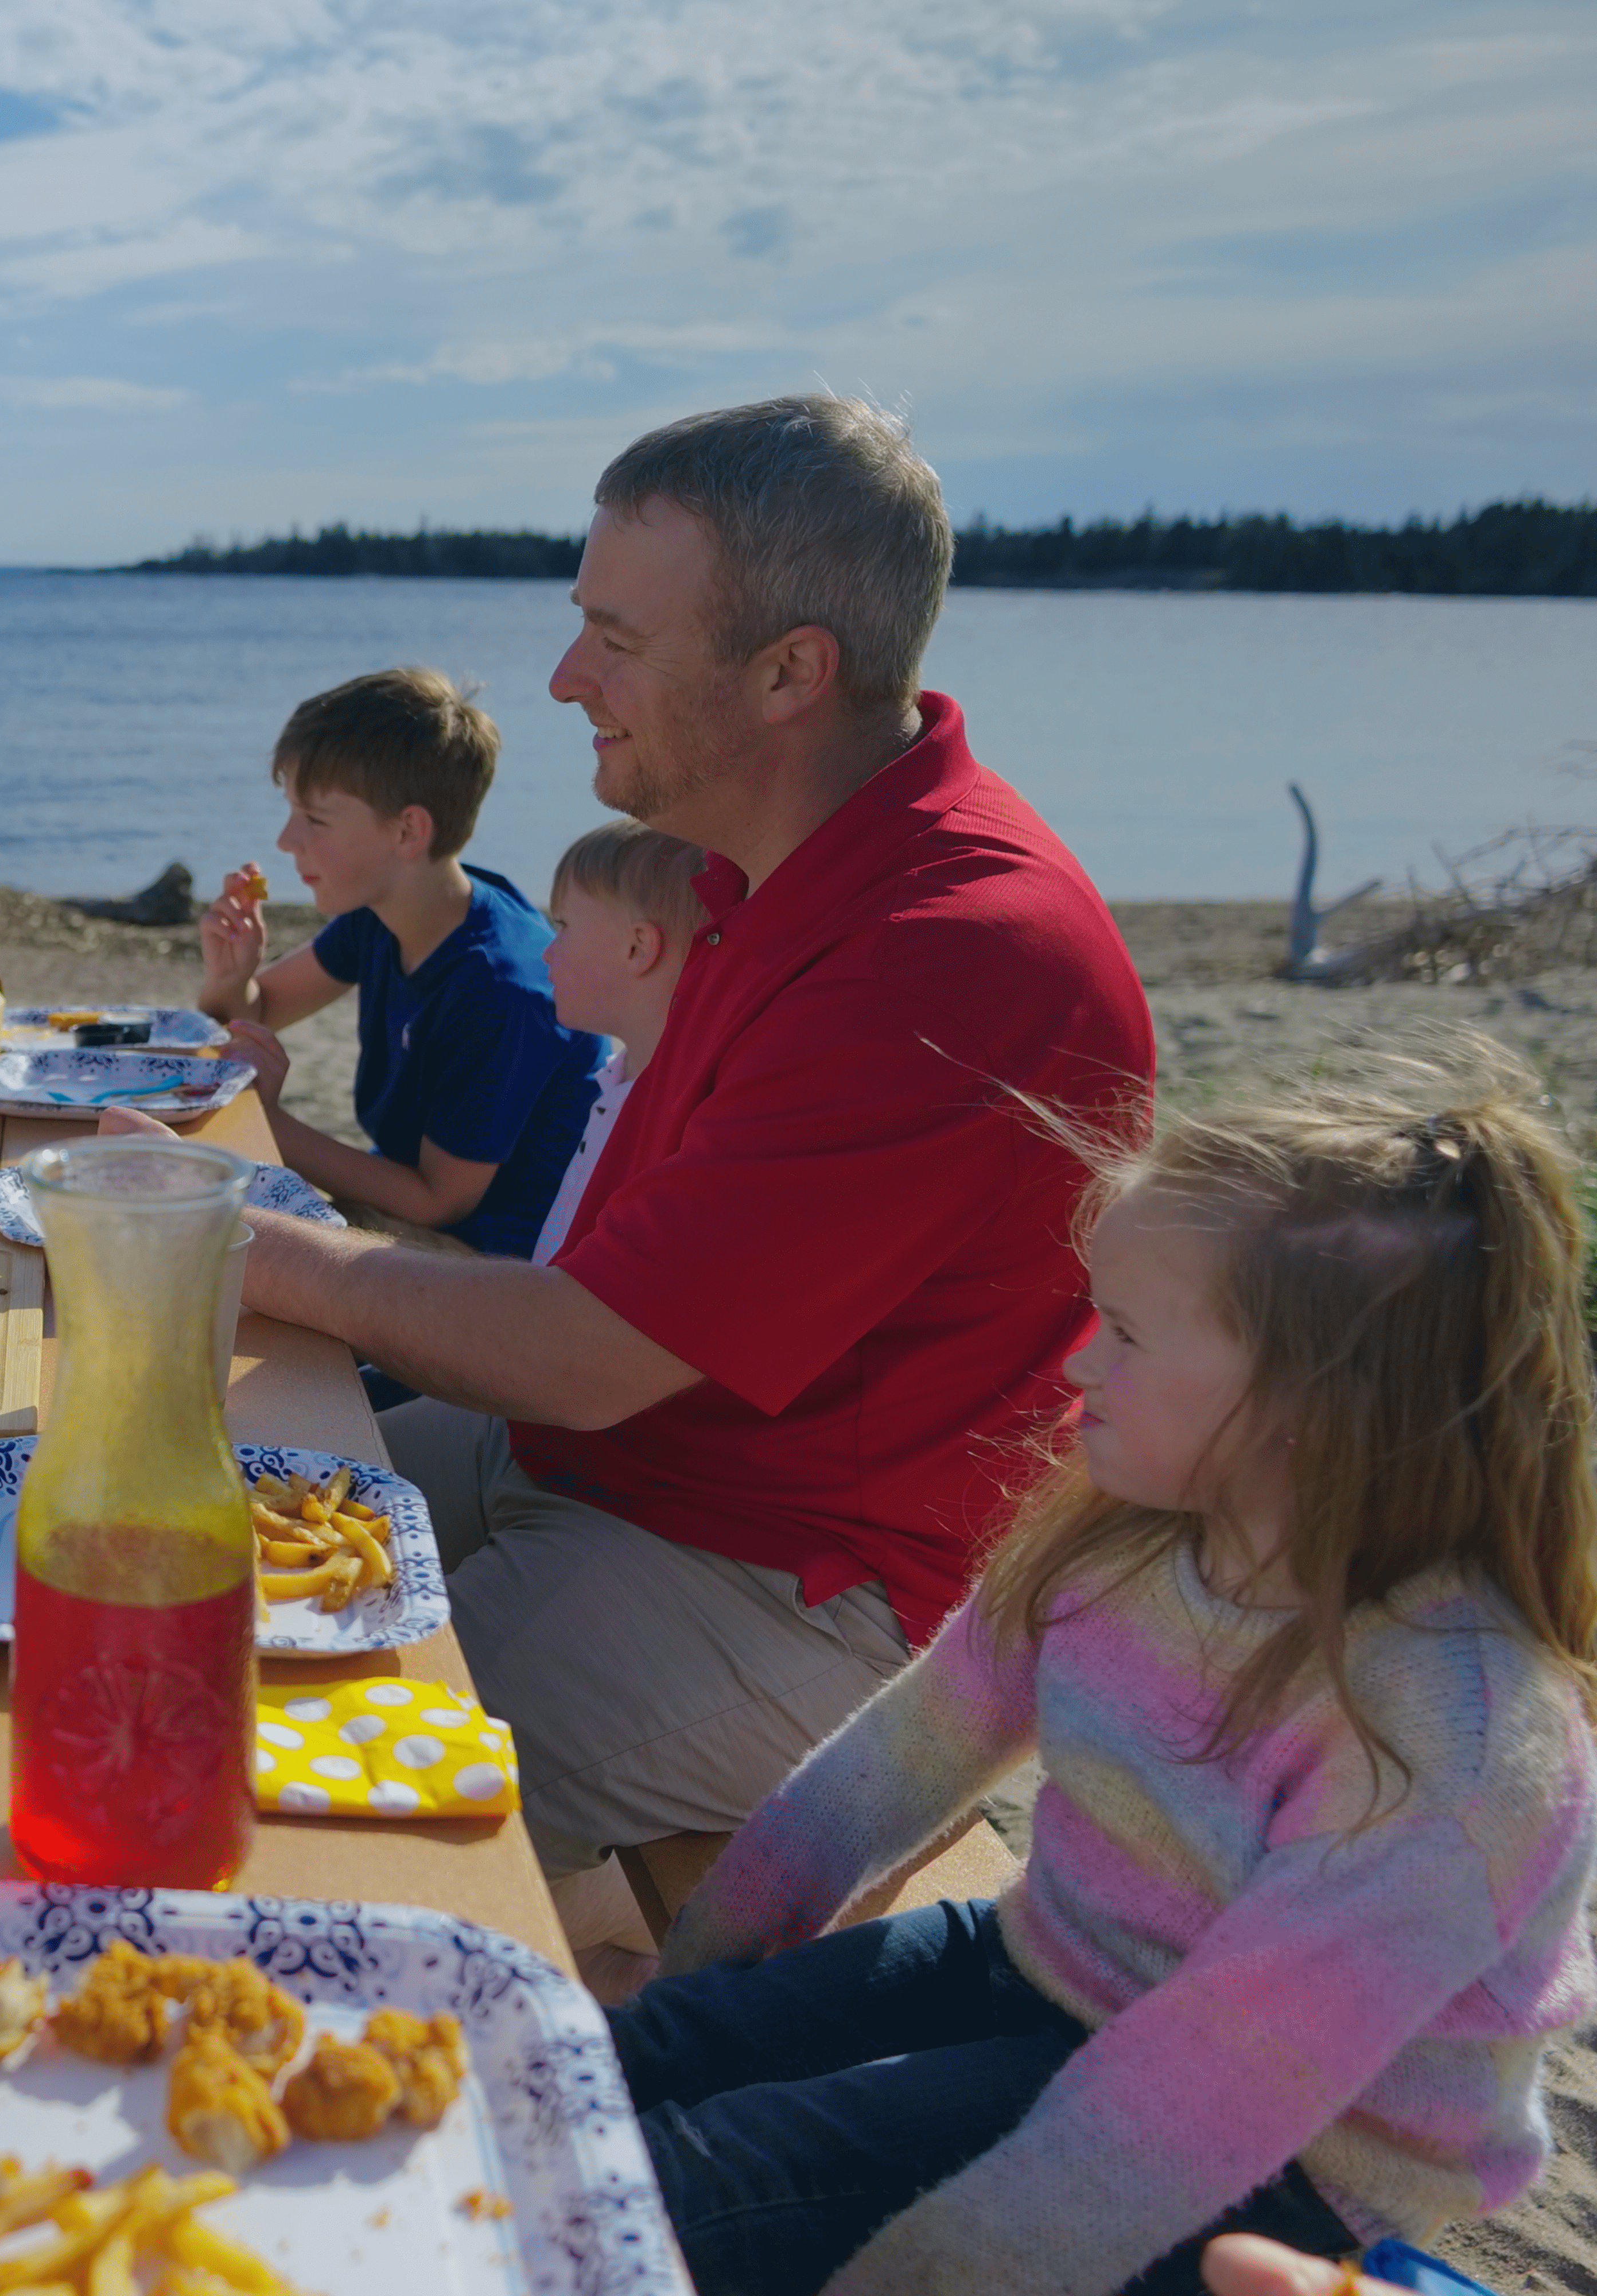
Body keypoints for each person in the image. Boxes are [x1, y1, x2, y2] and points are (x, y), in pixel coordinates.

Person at [239, 396, 1155, 1883]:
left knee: (279, 1791)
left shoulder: (951, 956)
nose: (562, 677)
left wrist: (246, 1246)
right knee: (180, 1528)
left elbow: (590, 1352)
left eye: (620, 639)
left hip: (792, 1582)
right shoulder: (764, 872)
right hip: (618, 1459)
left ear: (792, 670)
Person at [609, 1033, 1596, 2296]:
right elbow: (895, 1760)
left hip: (1293, 2142)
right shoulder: (1127, 1533)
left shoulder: (1449, 1735)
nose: (1081, 1361)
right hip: (1059, 1954)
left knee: (696, 2181)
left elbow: (1199, 2092)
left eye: (1126, 1332)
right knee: (622, 2064)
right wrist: (700, 1985)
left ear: (1314, 1397)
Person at [196, 667, 600, 1258]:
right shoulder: (384, 911)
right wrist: (231, 978)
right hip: (411, 1212)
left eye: (315, 818)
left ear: (408, 830)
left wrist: (272, 1127)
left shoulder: (500, 988)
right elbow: (258, 1012)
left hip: (498, 1257)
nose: (286, 839)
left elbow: (439, 1201)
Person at [531, 817, 707, 1265]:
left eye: (564, 925)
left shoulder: (674, 1123)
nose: (547, 952)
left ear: (638, 948)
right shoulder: (619, 1077)